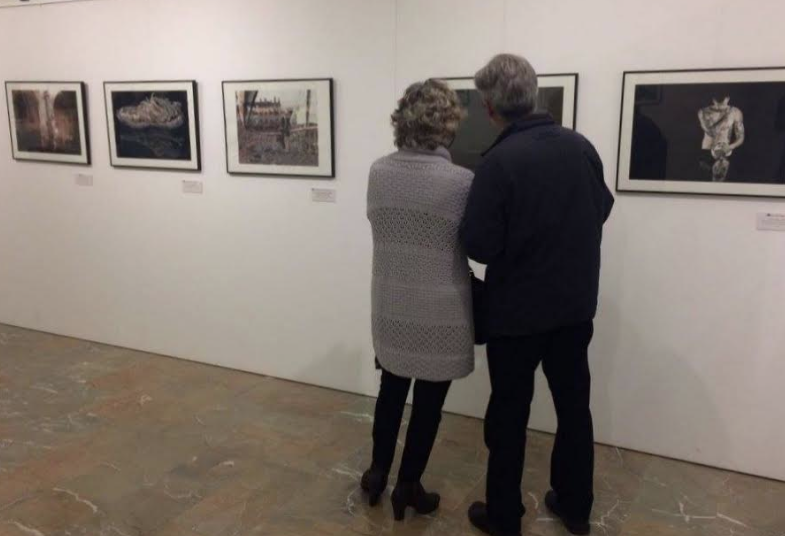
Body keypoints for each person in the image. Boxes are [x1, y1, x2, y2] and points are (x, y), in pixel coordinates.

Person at [460, 54, 614, 536]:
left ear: (490, 108)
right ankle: (576, 507)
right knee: (574, 408)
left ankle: (504, 516)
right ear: (534, 94)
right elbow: (603, 208)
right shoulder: (580, 147)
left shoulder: (499, 162)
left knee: (508, 414)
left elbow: (480, 245)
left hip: (516, 314)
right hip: (573, 306)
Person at [361, 79, 475, 521]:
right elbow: (475, 242)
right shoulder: (461, 181)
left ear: (401, 120)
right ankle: (408, 485)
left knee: (390, 392)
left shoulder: (379, 171)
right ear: (448, 124)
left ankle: (377, 474)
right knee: (428, 404)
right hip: (440, 310)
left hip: (391, 302)